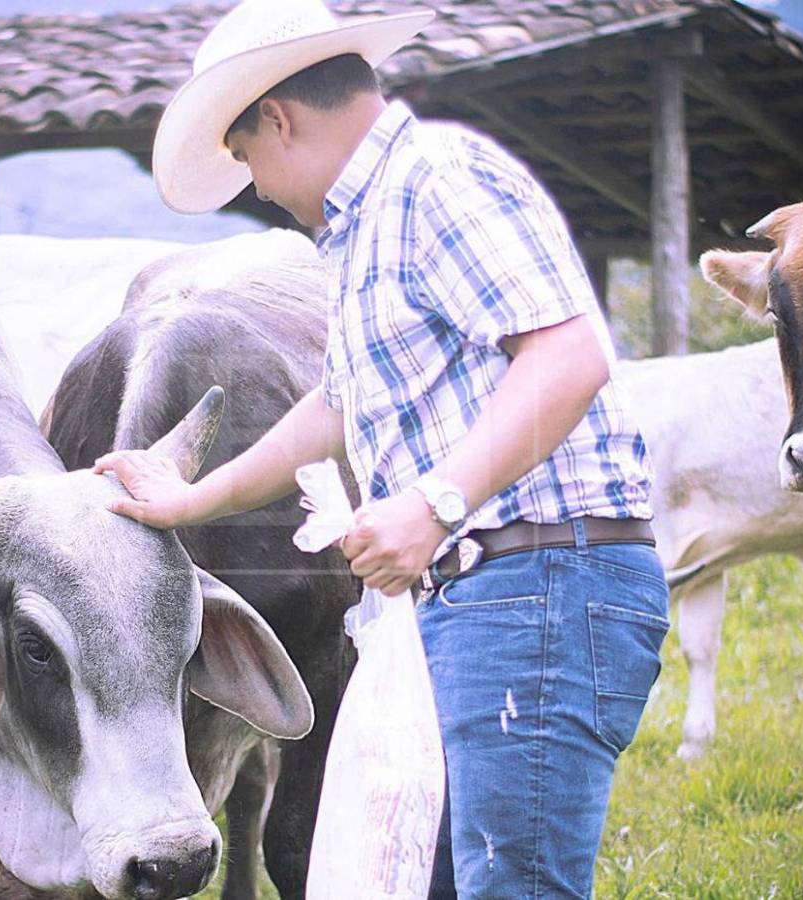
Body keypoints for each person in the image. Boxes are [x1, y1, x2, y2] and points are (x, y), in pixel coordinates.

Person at [95, 0, 669, 896]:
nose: (256, 188)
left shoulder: (436, 178)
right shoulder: (362, 230)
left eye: (245, 159)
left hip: (540, 584)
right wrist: (191, 497)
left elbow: (569, 353)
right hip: (475, 593)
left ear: (278, 120)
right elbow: (338, 407)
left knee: (513, 886)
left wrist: (433, 503)